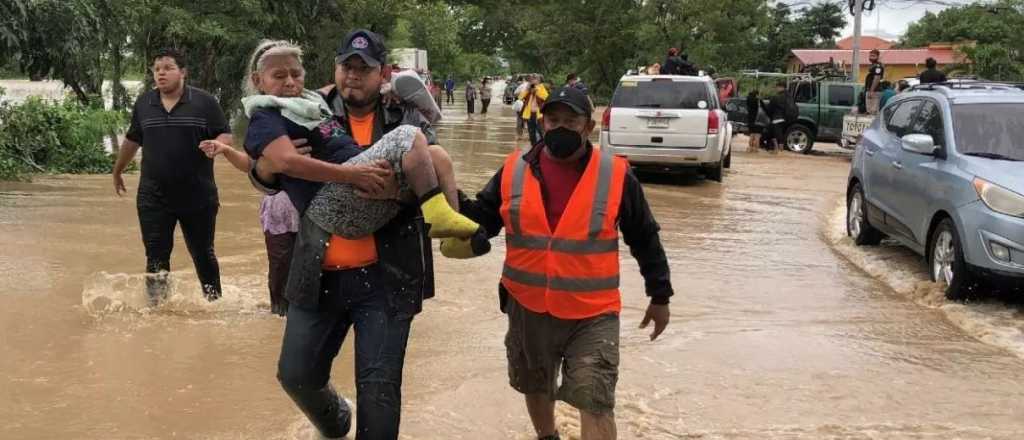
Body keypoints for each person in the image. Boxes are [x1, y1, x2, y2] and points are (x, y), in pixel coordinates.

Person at [249, 33, 483, 439]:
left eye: (364, 69)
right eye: (346, 67)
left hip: (387, 276)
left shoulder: (409, 116)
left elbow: (433, 177)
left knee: (379, 392)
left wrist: (395, 191)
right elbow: (267, 177)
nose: (353, 76)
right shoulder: (309, 105)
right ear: (335, 69)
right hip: (318, 271)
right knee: (296, 375)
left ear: (384, 74)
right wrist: (267, 168)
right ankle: (336, 421)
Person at [454, 86, 674, 440]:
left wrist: (660, 295)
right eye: (553, 120)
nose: (560, 128)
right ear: (542, 122)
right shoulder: (513, 170)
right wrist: (446, 197)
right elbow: (483, 220)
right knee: (535, 383)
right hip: (528, 307)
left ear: (588, 127)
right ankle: (547, 436)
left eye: (571, 121)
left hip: (592, 313)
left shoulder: (615, 175)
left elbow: (644, 237)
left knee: (596, 398)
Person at [111, 48, 232, 304]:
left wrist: (217, 145)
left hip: (198, 194)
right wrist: (118, 169)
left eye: (168, 68)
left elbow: (225, 134)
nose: (161, 73)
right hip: (153, 196)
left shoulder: (205, 102)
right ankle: (157, 311)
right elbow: (133, 140)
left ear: (183, 72)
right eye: (157, 69)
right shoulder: (145, 103)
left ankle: (215, 305)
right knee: (155, 256)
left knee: (203, 254)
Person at [518, 74, 549, 146]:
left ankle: (543, 146)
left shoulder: (542, 87)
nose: (533, 80)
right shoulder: (528, 88)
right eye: (532, 79)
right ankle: (534, 147)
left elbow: (545, 97)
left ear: (539, 80)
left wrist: (536, 91)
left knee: (540, 131)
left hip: (539, 114)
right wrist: (527, 89)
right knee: (531, 132)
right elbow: (520, 97)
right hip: (529, 113)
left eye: (535, 79)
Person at [766, 82, 789, 154]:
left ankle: (778, 149)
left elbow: (769, 108)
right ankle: (778, 149)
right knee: (779, 133)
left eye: (777, 87)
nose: (776, 89)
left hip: (776, 118)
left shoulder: (776, 97)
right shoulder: (788, 96)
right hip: (785, 118)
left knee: (775, 133)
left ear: (781, 87)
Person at [745, 89, 766, 154]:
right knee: (757, 135)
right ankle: (756, 149)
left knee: (751, 134)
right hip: (758, 119)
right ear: (757, 95)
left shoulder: (748, 100)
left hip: (750, 120)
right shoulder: (758, 101)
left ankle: (750, 148)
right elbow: (765, 109)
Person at [864, 49, 884, 114]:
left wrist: (871, 90)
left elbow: (877, 78)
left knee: (873, 111)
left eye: (873, 56)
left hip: (875, 91)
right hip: (871, 90)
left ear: (878, 57)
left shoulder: (878, 66)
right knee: (869, 110)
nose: (871, 57)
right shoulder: (873, 65)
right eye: (870, 56)